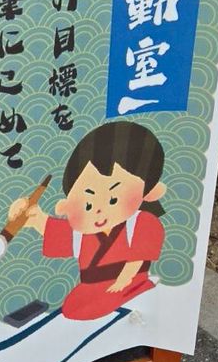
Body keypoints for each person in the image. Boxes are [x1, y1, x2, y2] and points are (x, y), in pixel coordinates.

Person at [8, 120, 166, 320]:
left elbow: (138, 257)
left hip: (130, 286)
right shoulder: (83, 234)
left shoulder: (141, 223)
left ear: (150, 191)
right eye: (88, 204)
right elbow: (56, 232)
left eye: (113, 199)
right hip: (89, 293)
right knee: (70, 311)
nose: (99, 210)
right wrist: (35, 217)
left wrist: (124, 279)